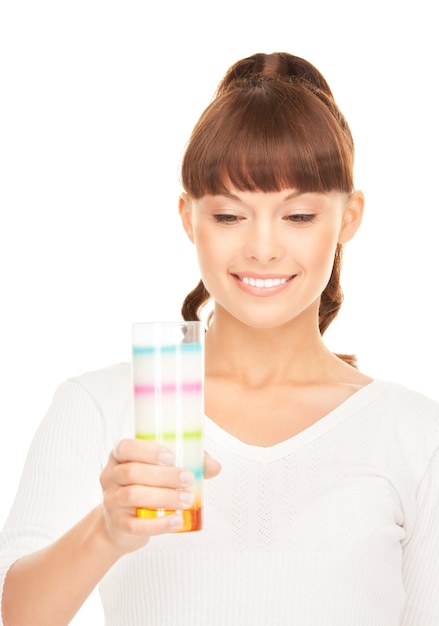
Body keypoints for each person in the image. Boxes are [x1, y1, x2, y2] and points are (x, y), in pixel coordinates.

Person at [1, 51, 438, 626]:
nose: (262, 247)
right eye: (230, 216)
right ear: (188, 216)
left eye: (298, 217)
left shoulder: (414, 433)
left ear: (349, 217)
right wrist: (105, 531)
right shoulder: (100, 405)